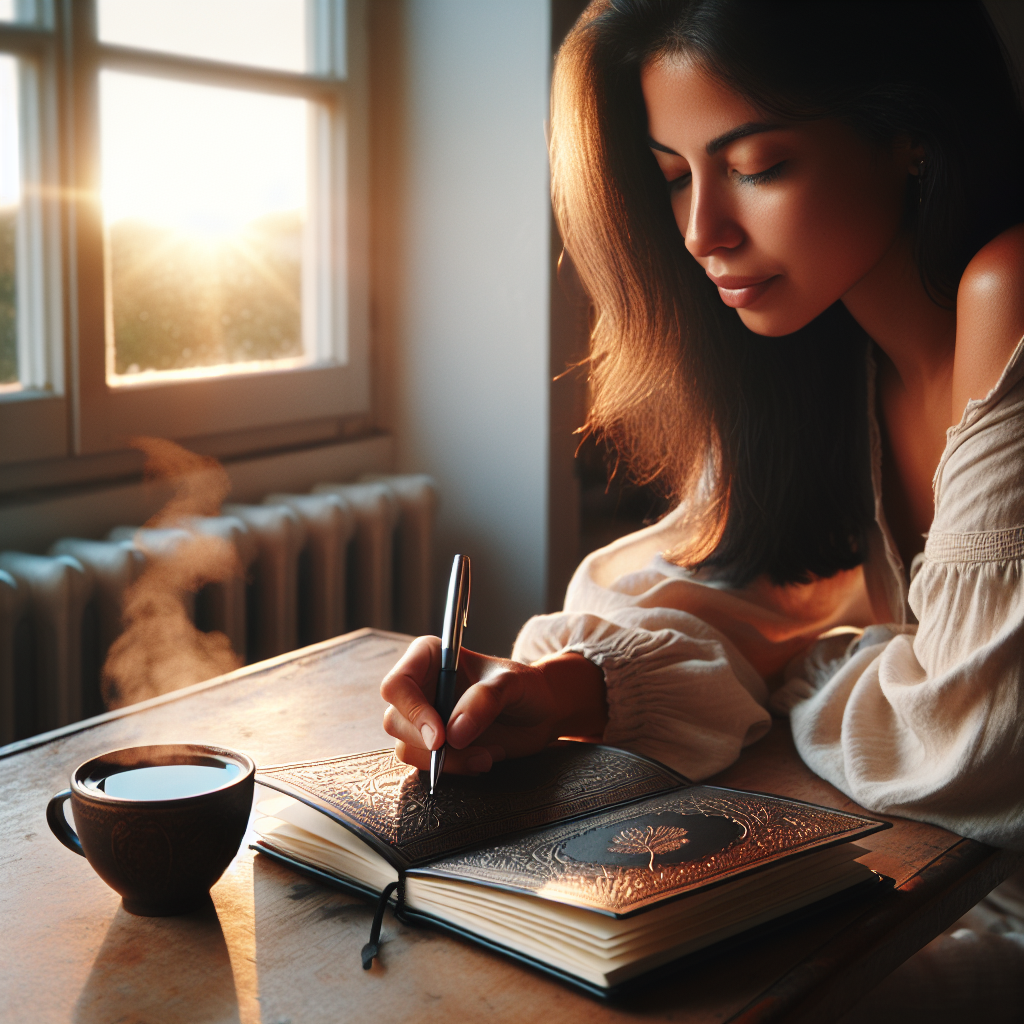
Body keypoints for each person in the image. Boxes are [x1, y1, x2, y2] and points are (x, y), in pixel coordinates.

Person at [381, 2, 1024, 1018]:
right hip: (944, 880)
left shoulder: (1009, 289)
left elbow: (971, 743)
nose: (701, 232)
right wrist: (556, 690)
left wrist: (799, 663)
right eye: (674, 175)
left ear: (910, 132)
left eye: (759, 165)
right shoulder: (825, 359)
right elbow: (713, 587)